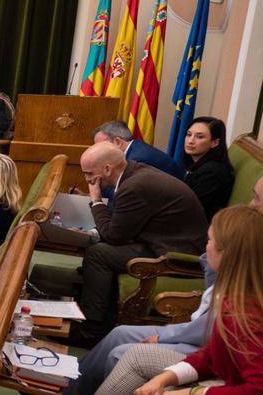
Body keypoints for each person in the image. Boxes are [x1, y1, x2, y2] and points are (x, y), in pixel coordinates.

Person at [4, 205, 263, 395]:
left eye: (211, 242)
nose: (204, 249)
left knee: (139, 393)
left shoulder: (249, 314)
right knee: (141, 370)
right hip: (226, 392)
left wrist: (191, 394)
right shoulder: (238, 296)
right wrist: (166, 379)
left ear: (230, 255)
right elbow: (212, 356)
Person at [73, 143, 208, 342]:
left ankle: (91, 329)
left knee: (98, 254)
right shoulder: (134, 173)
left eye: (89, 173)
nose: (87, 179)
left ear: (107, 169)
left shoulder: (135, 186)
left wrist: (96, 199)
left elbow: (113, 235)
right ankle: (95, 307)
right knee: (98, 248)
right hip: (163, 242)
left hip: (177, 256)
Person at [180, 116, 234, 221]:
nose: (190, 141)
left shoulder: (212, 172)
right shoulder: (198, 165)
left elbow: (190, 208)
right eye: (189, 134)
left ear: (215, 143)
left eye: (199, 137)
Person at [92, 119, 185, 180]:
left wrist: (97, 190)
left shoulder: (137, 159)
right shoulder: (136, 148)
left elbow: (125, 193)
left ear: (117, 142)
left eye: (101, 146)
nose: (99, 151)